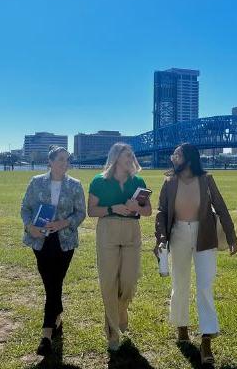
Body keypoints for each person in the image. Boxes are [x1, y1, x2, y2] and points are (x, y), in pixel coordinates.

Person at [154, 143, 237, 365]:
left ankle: (207, 338)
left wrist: (231, 235)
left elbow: (221, 207)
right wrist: (161, 238)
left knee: (204, 285)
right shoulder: (169, 181)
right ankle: (181, 326)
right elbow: (162, 211)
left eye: (177, 154)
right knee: (179, 283)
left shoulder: (207, 180)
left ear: (188, 158)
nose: (173, 157)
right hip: (178, 233)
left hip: (205, 235)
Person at [20, 146, 86, 356]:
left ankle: (46, 334)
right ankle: (56, 318)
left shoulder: (75, 185)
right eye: (60, 160)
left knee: (55, 282)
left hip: (64, 241)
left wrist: (64, 223)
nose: (64, 164)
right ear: (50, 161)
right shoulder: (36, 182)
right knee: (51, 283)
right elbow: (25, 208)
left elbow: (81, 213)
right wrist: (30, 226)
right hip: (40, 240)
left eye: (67, 160)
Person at [87, 143, 152, 351]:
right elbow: (91, 211)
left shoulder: (139, 181)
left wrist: (137, 207)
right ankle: (113, 333)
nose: (131, 157)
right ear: (116, 157)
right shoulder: (99, 181)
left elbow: (149, 211)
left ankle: (121, 312)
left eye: (131, 155)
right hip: (108, 230)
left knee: (129, 282)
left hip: (132, 231)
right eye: (127, 154)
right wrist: (111, 208)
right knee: (108, 283)